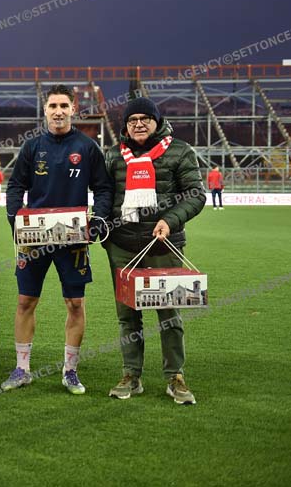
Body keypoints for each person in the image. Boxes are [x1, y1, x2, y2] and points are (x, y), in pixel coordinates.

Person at [4, 84, 113, 395]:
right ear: (45, 110)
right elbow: (16, 186)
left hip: (73, 239)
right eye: (53, 106)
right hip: (35, 238)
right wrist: (16, 219)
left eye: (64, 105)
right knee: (25, 301)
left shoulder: (87, 147)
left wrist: (99, 218)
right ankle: (22, 369)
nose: (58, 111)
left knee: (75, 303)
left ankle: (70, 371)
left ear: (73, 109)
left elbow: (103, 188)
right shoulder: (32, 147)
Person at [103, 97, 205, 405]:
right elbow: (106, 195)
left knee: (168, 313)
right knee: (127, 316)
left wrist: (169, 221)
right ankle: (131, 375)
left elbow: (195, 194)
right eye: (132, 120)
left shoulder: (180, 151)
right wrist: (103, 228)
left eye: (145, 118)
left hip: (163, 244)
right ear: (125, 125)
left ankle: (175, 376)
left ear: (156, 121)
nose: (138, 124)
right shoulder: (114, 155)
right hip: (122, 246)